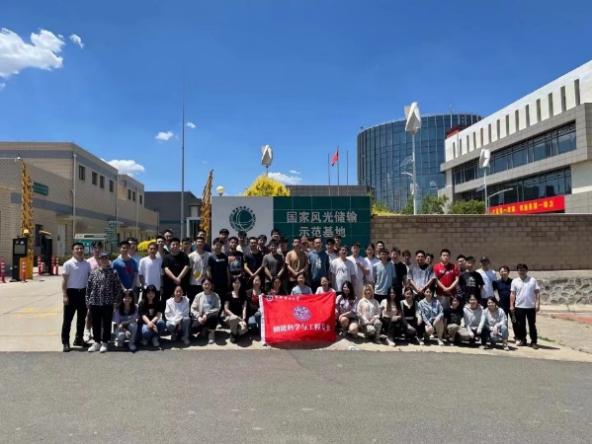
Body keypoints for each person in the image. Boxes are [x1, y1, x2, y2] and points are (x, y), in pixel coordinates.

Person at [86, 252, 122, 353]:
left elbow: (117, 288)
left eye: (105, 258)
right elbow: (89, 287)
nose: (103, 260)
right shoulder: (93, 272)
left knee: (107, 323)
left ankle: (105, 342)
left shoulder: (113, 272)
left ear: (108, 260)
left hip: (108, 302)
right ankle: (97, 342)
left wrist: (116, 301)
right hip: (95, 302)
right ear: (99, 260)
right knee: (96, 323)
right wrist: (87, 300)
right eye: (101, 258)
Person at [61, 242, 91, 352]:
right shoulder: (68, 264)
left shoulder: (87, 264)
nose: (79, 250)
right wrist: (65, 295)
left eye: (81, 248)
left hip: (83, 293)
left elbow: (89, 279)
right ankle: (65, 342)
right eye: (77, 249)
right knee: (67, 320)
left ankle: (79, 339)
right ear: (72, 251)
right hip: (71, 293)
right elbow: (64, 281)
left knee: (81, 319)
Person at [510, 263, 541, 349]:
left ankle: (534, 342)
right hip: (519, 307)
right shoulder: (515, 281)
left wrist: (538, 304)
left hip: (531, 307)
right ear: (517, 271)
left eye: (523, 270)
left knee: (532, 325)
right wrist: (511, 305)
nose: (521, 271)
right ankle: (523, 340)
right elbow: (512, 294)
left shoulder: (532, 280)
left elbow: (537, 293)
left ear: (526, 270)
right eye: (519, 270)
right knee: (521, 325)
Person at [191, 278, 221, 345]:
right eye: (205, 284)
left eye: (208, 284)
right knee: (193, 328)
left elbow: (218, 308)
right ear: (202, 285)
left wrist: (207, 314)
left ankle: (211, 333)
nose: (207, 286)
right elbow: (193, 308)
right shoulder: (198, 296)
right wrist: (198, 317)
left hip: (210, 317)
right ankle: (204, 329)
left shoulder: (215, 295)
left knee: (214, 318)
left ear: (211, 285)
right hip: (201, 317)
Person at [161, 238, 191, 302]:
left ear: (179, 246)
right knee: (168, 301)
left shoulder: (184, 256)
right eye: (173, 244)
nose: (175, 246)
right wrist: (175, 278)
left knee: (181, 301)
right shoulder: (166, 257)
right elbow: (166, 269)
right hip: (169, 284)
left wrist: (179, 278)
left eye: (177, 244)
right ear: (170, 246)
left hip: (182, 284)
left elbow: (186, 267)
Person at [494, 265, 517, 338]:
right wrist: (496, 302)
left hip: (512, 305)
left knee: (515, 321)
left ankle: (517, 337)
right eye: (501, 271)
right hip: (502, 305)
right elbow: (492, 292)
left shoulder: (513, 281)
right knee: (503, 321)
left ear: (508, 272)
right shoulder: (497, 282)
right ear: (499, 273)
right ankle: (504, 336)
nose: (503, 272)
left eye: (505, 271)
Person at [188, 236, 210, 305]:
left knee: (204, 301)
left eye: (201, 242)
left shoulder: (209, 255)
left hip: (205, 283)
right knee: (193, 301)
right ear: (195, 243)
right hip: (193, 282)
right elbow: (189, 269)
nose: (200, 243)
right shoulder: (191, 256)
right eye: (198, 242)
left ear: (204, 243)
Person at [224, 278, 248, 343]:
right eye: (235, 283)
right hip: (230, 317)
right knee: (234, 319)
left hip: (240, 317)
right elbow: (226, 309)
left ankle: (234, 331)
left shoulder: (243, 294)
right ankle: (233, 334)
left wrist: (243, 319)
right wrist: (235, 316)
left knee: (243, 330)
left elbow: (244, 308)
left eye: (238, 283)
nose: (237, 284)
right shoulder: (228, 294)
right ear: (232, 284)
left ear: (240, 284)